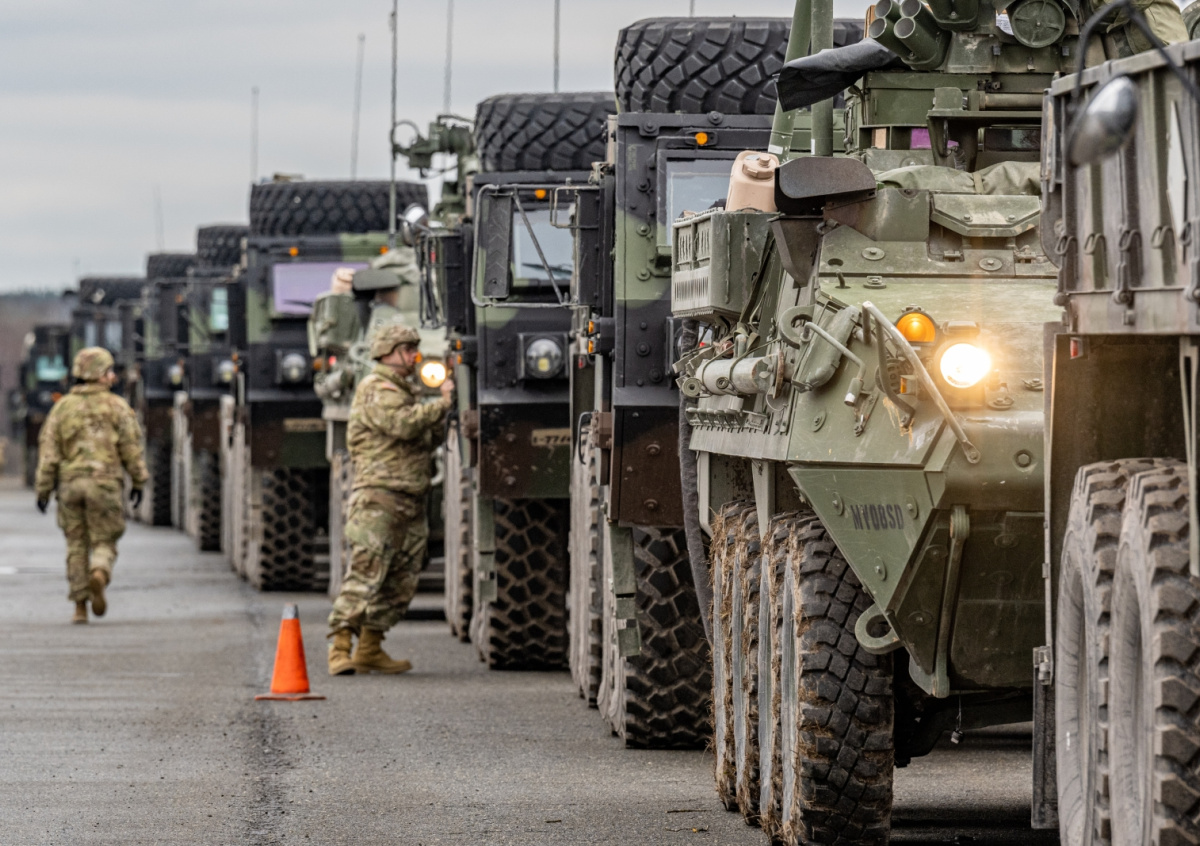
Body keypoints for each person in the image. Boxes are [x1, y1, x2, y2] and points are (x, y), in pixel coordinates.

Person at [327, 323, 454, 675]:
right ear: (387, 353)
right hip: (379, 498)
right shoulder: (376, 388)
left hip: (409, 499)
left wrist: (440, 416)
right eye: (407, 349)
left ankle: (370, 647)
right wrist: (442, 403)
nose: (414, 356)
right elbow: (403, 424)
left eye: (414, 348)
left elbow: (422, 439)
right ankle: (340, 647)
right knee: (366, 573)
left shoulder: (405, 391)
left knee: (401, 579)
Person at [35, 347, 148, 624]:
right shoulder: (117, 407)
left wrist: (43, 490)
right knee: (105, 540)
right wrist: (138, 480)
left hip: (70, 486)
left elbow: (49, 454)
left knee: (75, 544)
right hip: (104, 484)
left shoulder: (61, 409)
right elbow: (131, 449)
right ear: (99, 374)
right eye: (109, 371)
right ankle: (99, 571)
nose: (113, 376)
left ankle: (79, 608)